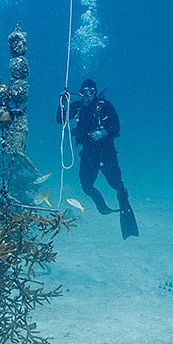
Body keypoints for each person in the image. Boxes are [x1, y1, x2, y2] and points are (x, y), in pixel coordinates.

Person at [57, 78, 139, 238]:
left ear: (95, 92)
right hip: (88, 153)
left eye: (90, 91)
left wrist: (103, 132)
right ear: (80, 93)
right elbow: (60, 119)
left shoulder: (104, 106)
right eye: (84, 92)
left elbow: (116, 127)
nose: (87, 95)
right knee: (86, 185)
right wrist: (62, 102)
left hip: (106, 152)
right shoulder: (78, 107)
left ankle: (125, 206)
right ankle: (101, 206)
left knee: (115, 183)